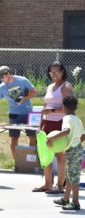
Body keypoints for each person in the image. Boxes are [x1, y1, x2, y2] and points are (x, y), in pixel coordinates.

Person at [33, 61, 74, 193]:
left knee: (60, 155)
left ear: (63, 71)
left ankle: (60, 186)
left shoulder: (66, 87)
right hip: (47, 124)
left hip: (60, 124)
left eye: (57, 71)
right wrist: (40, 125)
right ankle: (47, 184)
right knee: (46, 154)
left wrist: (52, 111)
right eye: (51, 72)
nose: (54, 74)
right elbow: (45, 107)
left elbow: (70, 108)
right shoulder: (50, 86)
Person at [0, 66, 37, 159]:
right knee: (14, 138)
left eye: (2, 77)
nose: (1, 79)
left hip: (28, 113)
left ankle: (31, 161)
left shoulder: (23, 80)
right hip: (14, 115)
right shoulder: (2, 87)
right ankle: (18, 162)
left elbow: (34, 92)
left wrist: (25, 98)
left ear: (8, 73)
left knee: (32, 137)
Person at [50, 96, 84, 210]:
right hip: (77, 148)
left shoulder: (67, 118)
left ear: (64, 107)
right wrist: (74, 142)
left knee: (73, 177)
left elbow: (66, 131)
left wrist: (51, 139)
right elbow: (83, 136)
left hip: (73, 150)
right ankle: (65, 199)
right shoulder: (77, 119)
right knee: (69, 175)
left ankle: (75, 203)